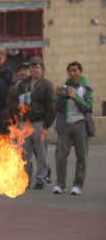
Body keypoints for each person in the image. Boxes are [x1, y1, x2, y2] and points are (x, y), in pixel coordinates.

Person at [52, 62, 94, 195]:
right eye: (70, 71)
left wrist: (75, 97)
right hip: (65, 125)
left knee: (81, 156)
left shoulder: (87, 88)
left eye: (75, 70)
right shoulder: (64, 87)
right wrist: (59, 96)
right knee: (60, 156)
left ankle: (77, 185)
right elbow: (57, 108)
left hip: (80, 124)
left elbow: (88, 108)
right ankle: (60, 185)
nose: (72, 73)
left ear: (80, 72)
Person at [16, 57, 56, 189]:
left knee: (41, 153)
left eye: (37, 67)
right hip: (25, 122)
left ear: (42, 70)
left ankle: (41, 179)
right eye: (32, 67)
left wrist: (46, 126)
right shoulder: (23, 84)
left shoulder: (47, 85)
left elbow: (51, 108)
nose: (34, 69)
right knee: (24, 153)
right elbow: (18, 100)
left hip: (39, 122)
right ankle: (25, 179)